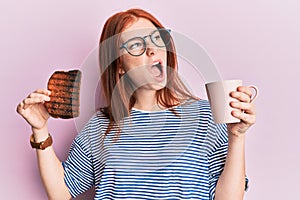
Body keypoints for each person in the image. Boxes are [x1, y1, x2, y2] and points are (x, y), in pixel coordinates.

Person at [16, 8, 257, 200]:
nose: (152, 50)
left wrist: (237, 136)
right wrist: (40, 130)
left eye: (156, 39)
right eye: (136, 45)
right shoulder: (100, 127)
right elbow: (61, 192)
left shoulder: (205, 116)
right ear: (119, 66)